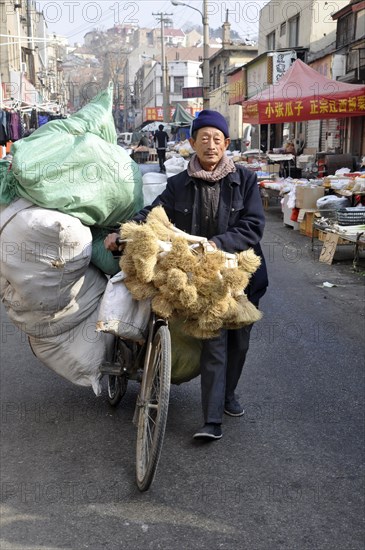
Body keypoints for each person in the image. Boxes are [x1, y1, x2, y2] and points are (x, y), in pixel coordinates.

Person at [105, 110, 268, 441]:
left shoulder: (245, 181)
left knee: (240, 343)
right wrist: (124, 233)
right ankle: (212, 421)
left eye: (217, 139)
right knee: (215, 341)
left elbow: (253, 226)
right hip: (206, 278)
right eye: (204, 139)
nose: (211, 145)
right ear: (192, 143)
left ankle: (228, 394)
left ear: (226, 144)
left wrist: (216, 243)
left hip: (240, 275)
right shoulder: (179, 184)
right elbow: (154, 215)